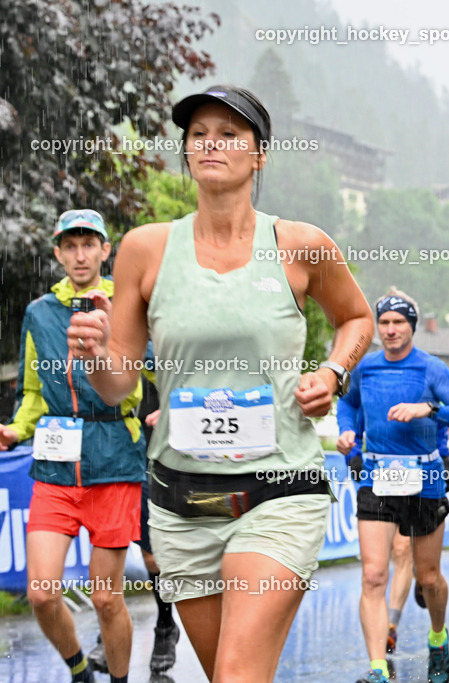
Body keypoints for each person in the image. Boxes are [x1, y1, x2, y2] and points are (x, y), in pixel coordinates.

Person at [68, 85, 374, 682]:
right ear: (185, 151)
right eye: (198, 134)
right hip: (182, 504)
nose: (211, 143)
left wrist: (333, 372)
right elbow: (116, 384)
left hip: (279, 492)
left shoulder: (299, 245)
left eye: (230, 134)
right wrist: (94, 353)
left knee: (235, 673)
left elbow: (357, 319)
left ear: (259, 155)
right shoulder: (145, 249)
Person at [0, 209, 147, 683]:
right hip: (56, 464)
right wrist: (16, 430)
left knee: (106, 598)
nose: (81, 254)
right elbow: (32, 392)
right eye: (71, 245)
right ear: (59, 252)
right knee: (42, 593)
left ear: (106, 251)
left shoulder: (124, 305)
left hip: (113, 458)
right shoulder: (39, 313)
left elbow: (135, 385)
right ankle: (81, 671)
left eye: (90, 244)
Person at [336, 288, 449, 683]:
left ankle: (437, 637)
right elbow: (347, 404)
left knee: (428, 577)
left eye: (399, 322)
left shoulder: (431, 369)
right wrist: (348, 433)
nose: (391, 329)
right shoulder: (365, 368)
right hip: (378, 478)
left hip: (425, 480)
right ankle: (378, 668)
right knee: (373, 576)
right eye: (384, 322)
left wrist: (429, 408)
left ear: (412, 327)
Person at [337, 411, 449, 656]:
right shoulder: (367, 374)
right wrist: (354, 453)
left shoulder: (426, 374)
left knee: (414, 562)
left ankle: (411, 627)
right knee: (386, 563)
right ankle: (388, 634)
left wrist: (444, 456)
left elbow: (440, 415)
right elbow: (352, 408)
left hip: (421, 476)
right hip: (381, 476)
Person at [88, 390, 181, 676]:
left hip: (155, 452)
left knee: (152, 555)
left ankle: (165, 626)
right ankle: (109, 633)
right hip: (112, 453)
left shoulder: (156, 354)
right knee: (109, 547)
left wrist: (173, 407)